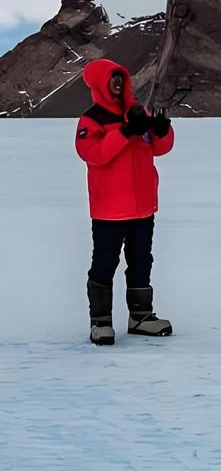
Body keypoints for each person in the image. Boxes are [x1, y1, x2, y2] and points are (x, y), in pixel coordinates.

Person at [75, 59, 175, 345]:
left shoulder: (137, 112)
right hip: (109, 210)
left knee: (142, 261)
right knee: (105, 262)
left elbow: (160, 148)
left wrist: (161, 128)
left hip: (143, 206)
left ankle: (141, 317)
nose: (117, 85)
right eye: (112, 80)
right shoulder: (91, 120)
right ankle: (101, 322)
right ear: (99, 84)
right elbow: (95, 153)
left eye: (120, 78)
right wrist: (125, 132)